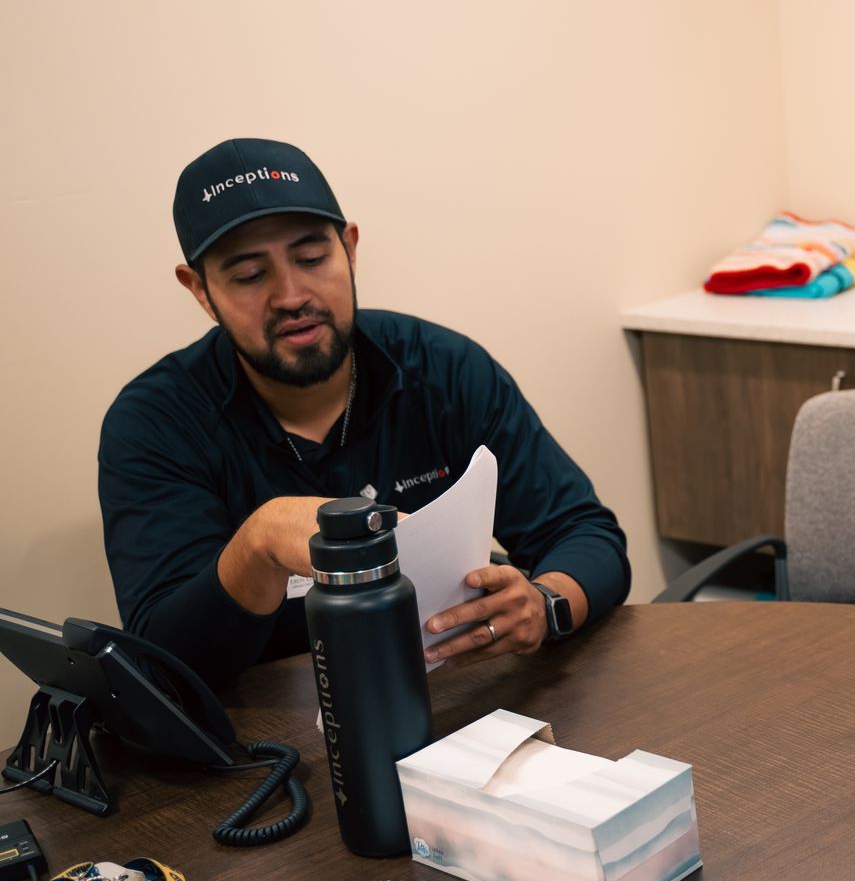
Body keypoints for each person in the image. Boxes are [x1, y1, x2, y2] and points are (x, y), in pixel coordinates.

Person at [99, 138, 630, 690]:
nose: (291, 294)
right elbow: (161, 661)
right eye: (250, 276)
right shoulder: (154, 423)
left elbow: (584, 531)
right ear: (201, 291)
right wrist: (258, 545)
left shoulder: (443, 369)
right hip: (268, 740)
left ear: (349, 248)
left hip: (452, 698)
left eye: (311, 258)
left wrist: (544, 606)